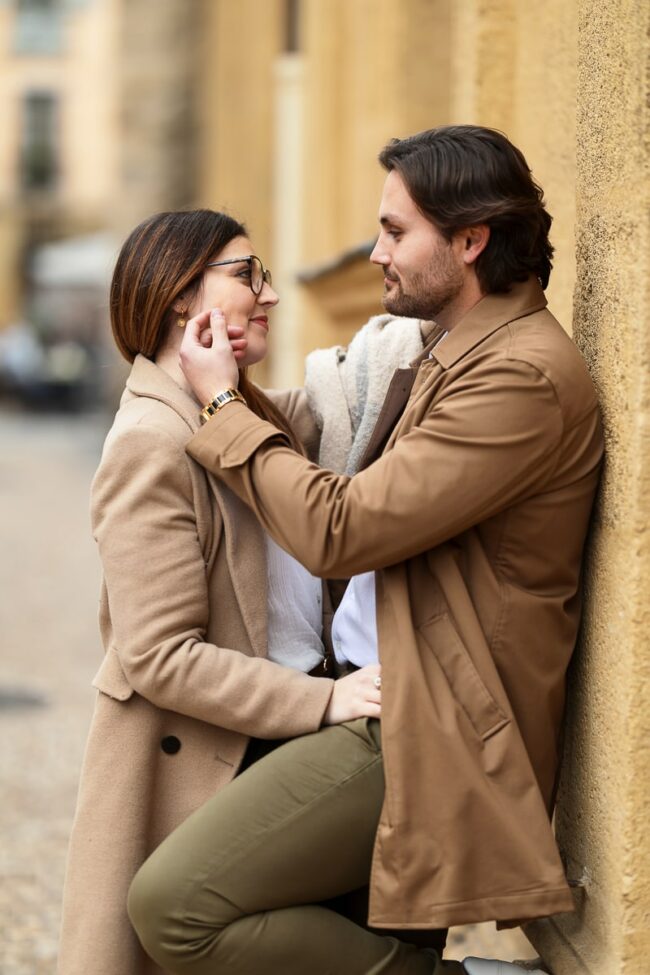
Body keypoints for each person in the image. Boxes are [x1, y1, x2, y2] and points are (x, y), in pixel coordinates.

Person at [127, 125, 604, 975]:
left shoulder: (517, 378)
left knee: (175, 905)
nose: (375, 251)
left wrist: (217, 409)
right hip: (377, 702)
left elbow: (339, 527)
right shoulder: (459, 357)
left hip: (421, 729)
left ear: (469, 240)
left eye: (394, 231)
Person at [58, 209, 384, 975]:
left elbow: (347, 401)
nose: (268, 295)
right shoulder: (149, 441)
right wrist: (324, 703)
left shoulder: (241, 409)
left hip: (282, 735)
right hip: (218, 748)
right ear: (181, 298)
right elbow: (159, 655)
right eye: (247, 275)